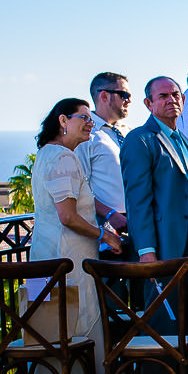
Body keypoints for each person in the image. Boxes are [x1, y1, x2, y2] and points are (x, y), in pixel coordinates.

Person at [30, 98, 122, 374]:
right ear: (63, 120)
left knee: (50, 329)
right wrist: (105, 236)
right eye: (83, 118)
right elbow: (68, 216)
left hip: (44, 256)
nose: (90, 123)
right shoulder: (64, 159)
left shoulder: (45, 156)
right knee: (74, 327)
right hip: (67, 259)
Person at [122, 76, 188, 374]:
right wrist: (146, 252)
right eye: (163, 96)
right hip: (163, 248)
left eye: (175, 95)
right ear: (148, 104)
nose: (171, 100)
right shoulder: (140, 140)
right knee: (163, 324)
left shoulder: (182, 139)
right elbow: (138, 201)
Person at [76, 73, 131, 255]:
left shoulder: (127, 132)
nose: (129, 101)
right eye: (124, 95)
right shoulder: (87, 136)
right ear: (104, 96)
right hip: (105, 227)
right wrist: (109, 214)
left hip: (134, 224)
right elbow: (79, 187)